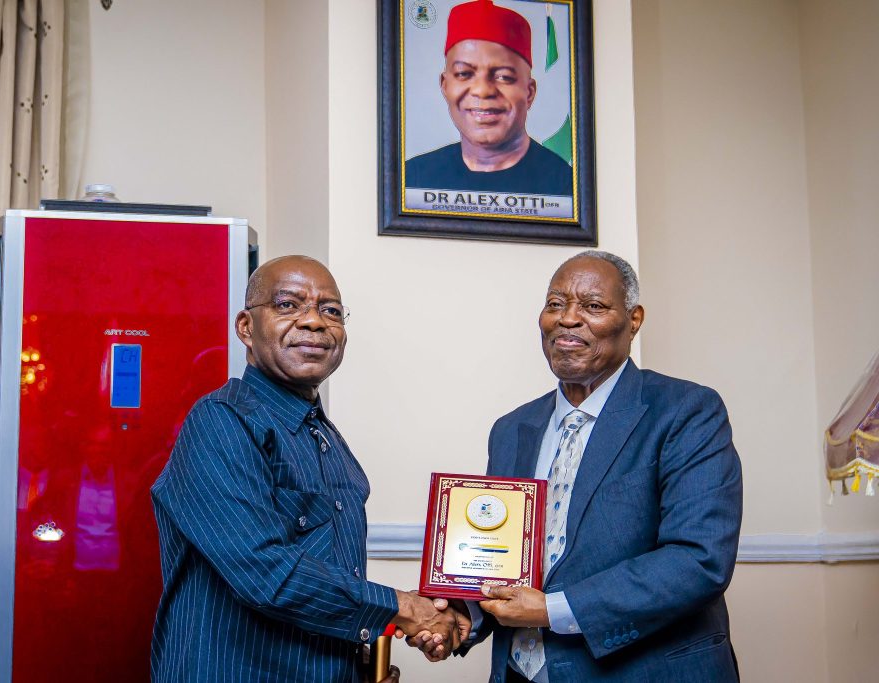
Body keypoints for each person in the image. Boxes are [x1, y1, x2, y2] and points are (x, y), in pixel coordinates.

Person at [409, 251, 742, 681]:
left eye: (593, 306)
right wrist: (464, 616)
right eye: (555, 304)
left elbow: (698, 559)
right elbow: (507, 563)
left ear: (634, 319)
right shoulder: (511, 429)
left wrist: (551, 610)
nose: (568, 318)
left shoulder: (687, 411)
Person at [150, 255, 470, 682]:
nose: (314, 322)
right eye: (288, 305)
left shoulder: (325, 436)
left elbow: (331, 580)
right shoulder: (222, 420)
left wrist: (360, 667)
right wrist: (406, 609)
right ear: (246, 327)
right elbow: (264, 570)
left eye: (331, 311)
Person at [405, 0, 572, 197]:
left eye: (504, 77)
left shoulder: (566, 185)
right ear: (445, 85)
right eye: (464, 73)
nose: (483, 90)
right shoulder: (412, 178)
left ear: (529, 92)